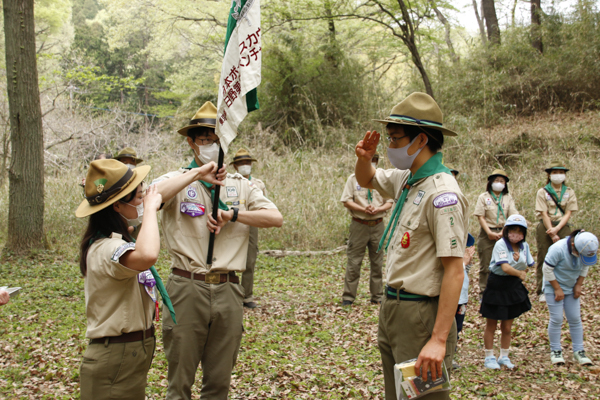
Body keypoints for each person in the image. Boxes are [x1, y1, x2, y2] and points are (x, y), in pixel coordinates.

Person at [152, 101, 283, 400]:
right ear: (191, 142)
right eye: (204, 139)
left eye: (216, 139)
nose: (211, 145)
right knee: (179, 383)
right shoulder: (177, 180)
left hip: (228, 290)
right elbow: (153, 197)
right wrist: (197, 174)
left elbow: (275, 218)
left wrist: (232, 215)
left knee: (219, 384)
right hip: (187, 287)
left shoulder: (242, 186)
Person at [354, 92, 468, 400]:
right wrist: (363, 159)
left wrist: (438, 340)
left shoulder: (442, 194)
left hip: (421, 314)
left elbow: (455, 271)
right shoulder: (408, 178)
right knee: (397, 395)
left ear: (420, 140)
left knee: (423, 397)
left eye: (395, 139)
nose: (390, 146)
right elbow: (368, 180)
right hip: (394, 307)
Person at [75, 158, 218, 399]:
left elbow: (157, 193)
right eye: (139, 198)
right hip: (114, 358)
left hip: (129, 355)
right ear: (117, 207)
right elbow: (148, 255)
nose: (144, 202)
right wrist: (150, 208)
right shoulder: (107, 248)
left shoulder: (118, 237)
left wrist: (196, 174)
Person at [480, 215, 534, 370]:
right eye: (512, 230)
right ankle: (489, 356)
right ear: (506, 231)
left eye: (519, 231)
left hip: (512, 286)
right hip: (497, 284)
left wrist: (520, 268)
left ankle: (504, 356)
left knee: (508, 326)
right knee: (492, 324)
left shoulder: (525, 246)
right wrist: (519, 272)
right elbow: (505, 267)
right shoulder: (500, 244)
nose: (515, 234)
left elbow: (528, 264)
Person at [340, 153, 393, 306]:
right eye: (369, 161)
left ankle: (377, 297)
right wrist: (364, 209)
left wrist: (378, 209)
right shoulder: (353, 179)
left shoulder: (382, 179)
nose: (372, 164)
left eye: (374, 161)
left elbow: (389, 201)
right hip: (359, 225)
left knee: (377, 262)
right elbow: (346, 201)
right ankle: (348, 297)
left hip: (377, 225)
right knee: (354, 262)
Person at [543, 230, 597, 366]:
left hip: (571, 286)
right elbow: (547, 269)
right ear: (573, 245)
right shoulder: (558, 249)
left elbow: (585, 266)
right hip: (553, 286)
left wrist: (579, 284)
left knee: (575, 318)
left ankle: (579, 351)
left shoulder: (586, 250)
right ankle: (555, 350)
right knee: (557, 319)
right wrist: (556, 288)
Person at [535, 162, 578, 302]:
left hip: (562, 226)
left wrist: (558, 229)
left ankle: (565, 287)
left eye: (561, 172)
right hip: (545, 226)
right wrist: (552, 232)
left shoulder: (569, 191)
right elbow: (543, 213)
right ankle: (542, 289)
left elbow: (568, 213)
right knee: (544, 256)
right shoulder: (543, 192)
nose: (558, 175)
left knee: (567, 256)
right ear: (549, 175)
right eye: (555, 172)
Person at [473, 169, 518, 295]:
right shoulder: (483, 197)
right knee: (485, 265)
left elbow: (512, 216)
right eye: (496, 181)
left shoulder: (508, 198)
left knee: (505, 262)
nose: (499, 183)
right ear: (491, 182)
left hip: (505, 232)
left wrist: (504, 231)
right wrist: (489, 233)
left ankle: (503, 289)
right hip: (487, 232)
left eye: (502, 181)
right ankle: (484, 291)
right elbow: (480, 216)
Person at [231, 148, 267, 308]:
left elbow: (265, 205)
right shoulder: (230, 181)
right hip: (232, 223)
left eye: (247, 162)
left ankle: (247, 296)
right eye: (241, 163)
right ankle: (229, 293)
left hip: (252, 224)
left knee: (250, 260)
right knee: (229, 257)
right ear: (235, 166)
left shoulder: (258, 184)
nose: (244, 165)